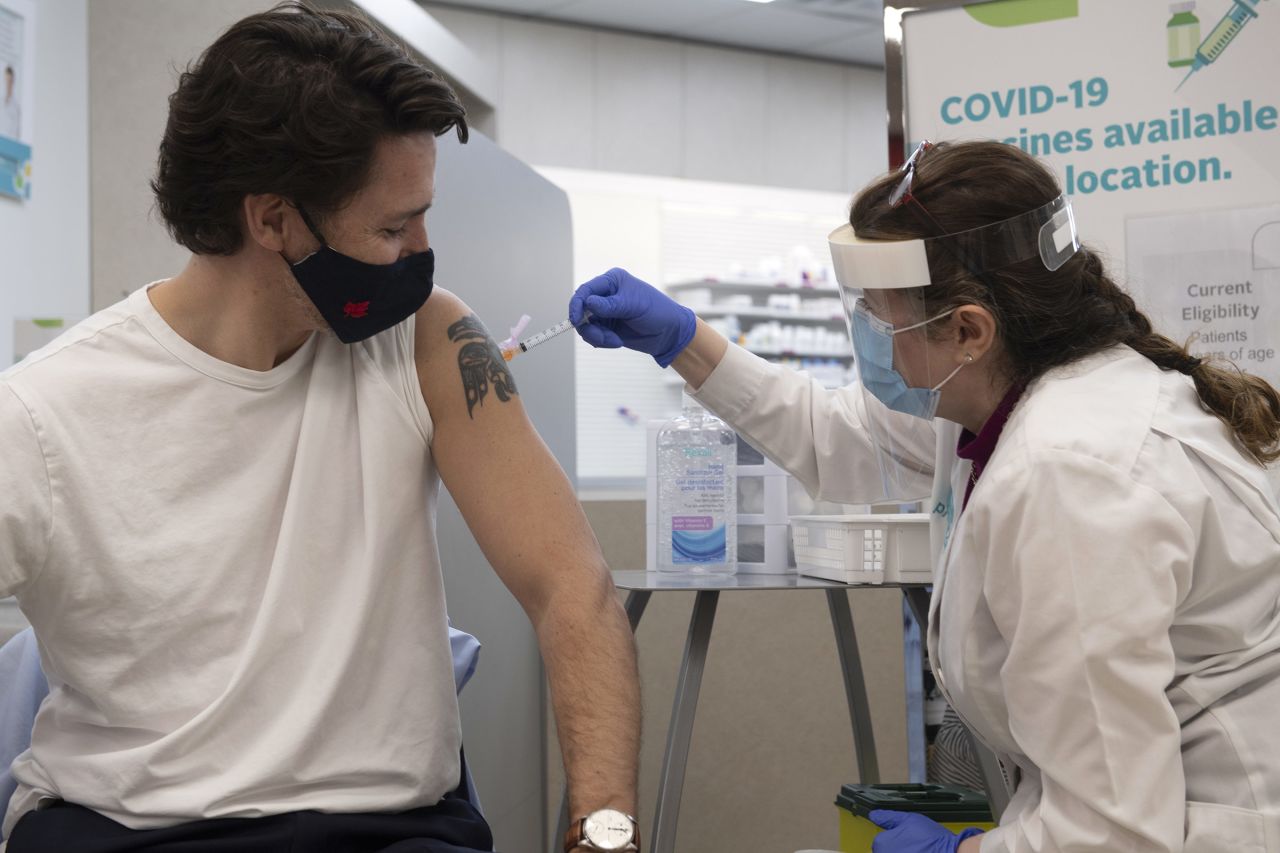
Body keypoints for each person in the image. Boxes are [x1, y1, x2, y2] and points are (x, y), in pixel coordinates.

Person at [0, 5, 641, 852]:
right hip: (136, 830)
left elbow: (573, 588)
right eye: (390, 226)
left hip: (392, 830)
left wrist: (605, 832)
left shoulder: (424, 345)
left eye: (422, 213)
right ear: (271, 220)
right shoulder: (44, 415)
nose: (422, 248)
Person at [570, 140, 1280, 852]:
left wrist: (958, 852)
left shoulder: (1070, 473)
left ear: (968, 329)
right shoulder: (1015, 402)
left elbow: (1111, 836)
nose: (869, 334)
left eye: (881, 315)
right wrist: (684, 341)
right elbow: (837, 436)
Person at [1, 65, 19, 139]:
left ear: (13, 82)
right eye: (6, 80)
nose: (8, 84)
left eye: (10, 81)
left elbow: (16, 132)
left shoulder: (16, 107)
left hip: (9, 146)